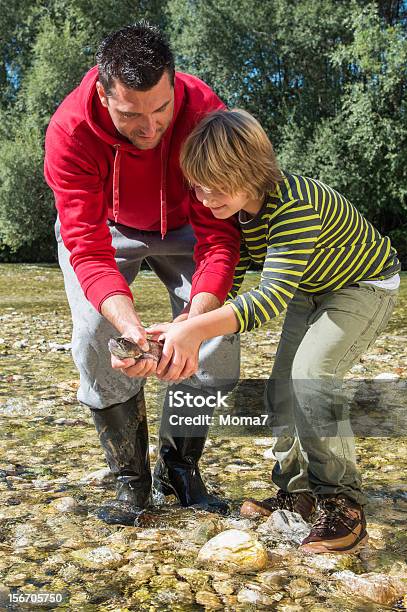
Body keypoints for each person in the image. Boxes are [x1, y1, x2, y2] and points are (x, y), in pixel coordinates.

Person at [149, 108, 400, 554]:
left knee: (312, 379)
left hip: (363, 285)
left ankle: (342, 500)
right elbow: (233, 276)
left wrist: (197, 332)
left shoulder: (294, 205)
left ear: (250, 171)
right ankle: (297, 493)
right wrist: (184, 323)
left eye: (215, 183)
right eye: (197, 184)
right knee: (281, 389)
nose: (204, 197)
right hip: (313, 285)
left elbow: (268, 299)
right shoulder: (237, 210)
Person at [44, 22, 241, 525]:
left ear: (174, 85)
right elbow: (85, 248)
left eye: (161, 110)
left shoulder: (204, 113)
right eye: (132, 115)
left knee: (218, 342)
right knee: (96, 333)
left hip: (189, 223)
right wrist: (130, 327)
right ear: (103, 92)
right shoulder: (69, 131)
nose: (151, 129)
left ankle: (180, 468)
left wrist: (192, 325)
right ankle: (129, 480)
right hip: (107, 229)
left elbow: (220, 236)